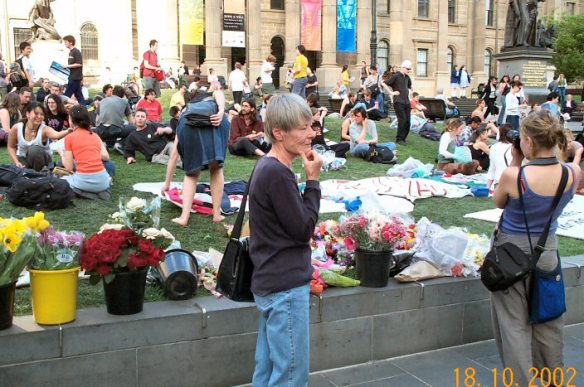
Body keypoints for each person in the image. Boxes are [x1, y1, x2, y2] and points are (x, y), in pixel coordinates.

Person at [491, 110, 580, 387]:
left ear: (527, 140)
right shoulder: (572, 173)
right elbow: (564, 165)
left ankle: (521, 382)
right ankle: (554, 378)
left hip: (509, 252)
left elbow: (498, 203)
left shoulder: (512, 176)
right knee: (549, 319)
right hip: (547, 252)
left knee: (513, 325)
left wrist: (516, 162)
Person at [248, 92, 322, 387]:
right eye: (303, 128)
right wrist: (313, 181)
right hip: (285, 287)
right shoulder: (277, 172)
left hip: (271, 282)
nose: (311, 134)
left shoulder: (270, 166)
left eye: (311, 126)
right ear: (279, 132)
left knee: (267, 370)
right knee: (291, 376)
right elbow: (303, 228)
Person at [166, 88, 229, 225]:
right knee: (216, 168)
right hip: (216, 119)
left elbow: (174, 155)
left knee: (192, 174)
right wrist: (221, 111)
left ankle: (184, 217)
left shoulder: (185, 111)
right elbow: (218, 92)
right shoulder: (212, 99)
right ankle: (217, 214)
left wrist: (167, 184)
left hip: (189, 125)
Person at [7, 102, 72, 171]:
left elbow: (56, 135)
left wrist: (68, 131)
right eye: (36, 113)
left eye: (42, 114)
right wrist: (16, 162)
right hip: (23, 158)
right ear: (27, 114)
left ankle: (40, 174)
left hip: (44, 162)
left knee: (33, 150)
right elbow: (10, 147)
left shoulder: (44, 129)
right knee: (17, 169)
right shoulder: (17, 127)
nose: (39, 117)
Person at [61, 105, 111, 194]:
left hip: (84, 180)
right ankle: (99, 191)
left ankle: (84, 192)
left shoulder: (69, 138)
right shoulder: (95, 136)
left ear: (72, 120)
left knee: (63, 180)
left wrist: (61, 154)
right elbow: (106, 157)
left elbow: (69, 168)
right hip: (103, 182)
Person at [387, 60, 413, 146]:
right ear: (403, 67)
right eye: (408, 69)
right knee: (402, 120)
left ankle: (403, 138)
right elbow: (384, 83)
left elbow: (409, 87)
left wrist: (410, 92)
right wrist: (391, 93)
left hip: (406, 101)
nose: (409, 70)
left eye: (410, 69)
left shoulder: (407, 77)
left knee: (408, 121)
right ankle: (399, 138)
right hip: (398, 101)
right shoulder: (396, 76)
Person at [486, 124, 514, 189]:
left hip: (498, 182)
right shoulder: (515, 147)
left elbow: (492, 169)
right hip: (514, 181)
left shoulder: (494, 147)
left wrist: (487, 187)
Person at [62, 35, 85, 106]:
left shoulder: (76, 51)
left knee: (66, 96)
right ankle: (84, 108)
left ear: (71, 42)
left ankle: (62, 109)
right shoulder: (70, 52)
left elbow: (79, 64)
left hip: (75, 77)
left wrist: (67, 66)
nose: (65, 43)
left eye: (66, 42)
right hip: (72, 76)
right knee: (79, 96)